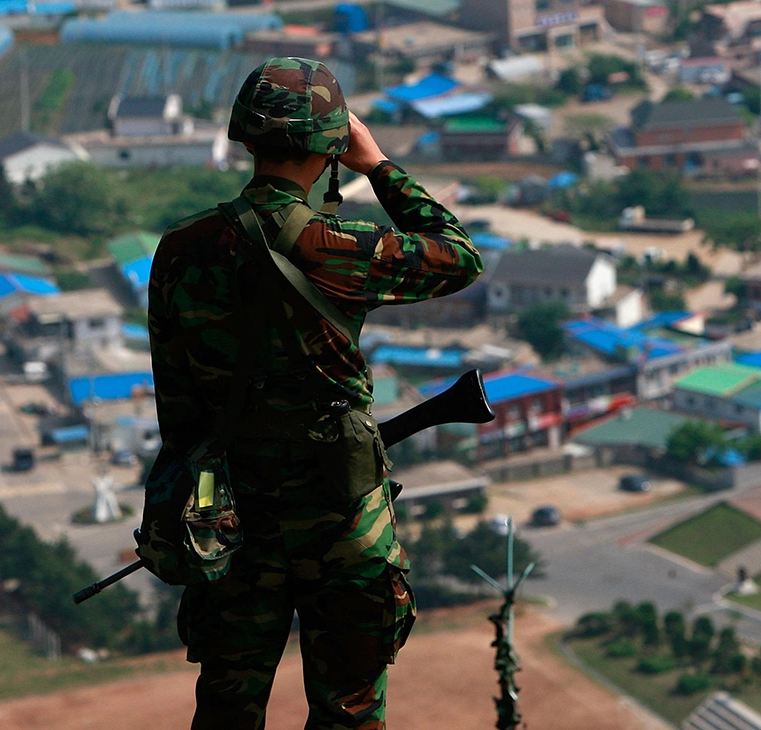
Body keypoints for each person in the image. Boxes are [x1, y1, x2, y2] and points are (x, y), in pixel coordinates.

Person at [146, 57, 483, 730]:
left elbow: (177, 407)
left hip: (229, 516)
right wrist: (378, 166)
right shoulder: (339, 247)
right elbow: (458, 256)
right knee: (348, 709)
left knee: (227, 708)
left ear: (246, 137)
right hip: (341, 516)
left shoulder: (181, 248)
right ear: (331, 146)